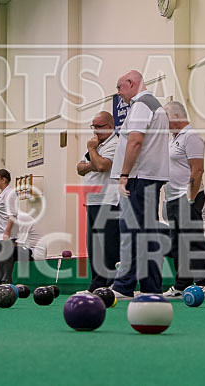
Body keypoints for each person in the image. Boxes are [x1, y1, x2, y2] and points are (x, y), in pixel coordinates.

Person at [110, 70, 170, 299]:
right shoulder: (152, 104)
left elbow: (135, 141)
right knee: (146, 232)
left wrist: (124, 174)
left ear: (131, 83)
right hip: (146, 177)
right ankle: (150, 287)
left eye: (119, 87)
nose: (118, 93)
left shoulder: (141, 104)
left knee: (133, 233)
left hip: (138, 177)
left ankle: (124, 285)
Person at [162, 101, 205, 298]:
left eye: (165, 117)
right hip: (172, 198)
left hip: (188, 196)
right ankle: (181, 284)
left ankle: (204, 283)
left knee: (193, 239)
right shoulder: (171, 139)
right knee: (177, 242)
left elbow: (198, 169)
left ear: (176, 116)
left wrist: (190, 198)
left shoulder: (191, 136)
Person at [76, 111, 120, 292]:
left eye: (99, 127)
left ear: (110, 126)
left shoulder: (115, 143)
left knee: (107, 245)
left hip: (108, 200)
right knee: (93, 245)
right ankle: (97, 283)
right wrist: (93, 160)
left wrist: (92, 152)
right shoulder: (96, 145)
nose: (95, 131)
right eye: (93, 126)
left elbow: (102, 166)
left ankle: (108, 283)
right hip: (92, 201)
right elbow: (79, 168)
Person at [0, 169, 18, 285]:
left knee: (5, 266)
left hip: (5, 235)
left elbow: (12, 215)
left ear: (4, 180)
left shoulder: (10, 194)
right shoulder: (1, 196)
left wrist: (7, 232)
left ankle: (6, 288)